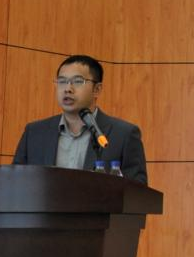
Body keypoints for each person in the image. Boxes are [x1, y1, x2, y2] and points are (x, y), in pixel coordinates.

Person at [12, 54, 148, 184]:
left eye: (77, 81)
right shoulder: (34, 133)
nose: (67, 89)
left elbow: (137, 193)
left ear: (97, 89)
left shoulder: (123, 135)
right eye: (62, 81)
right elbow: (15, 184)